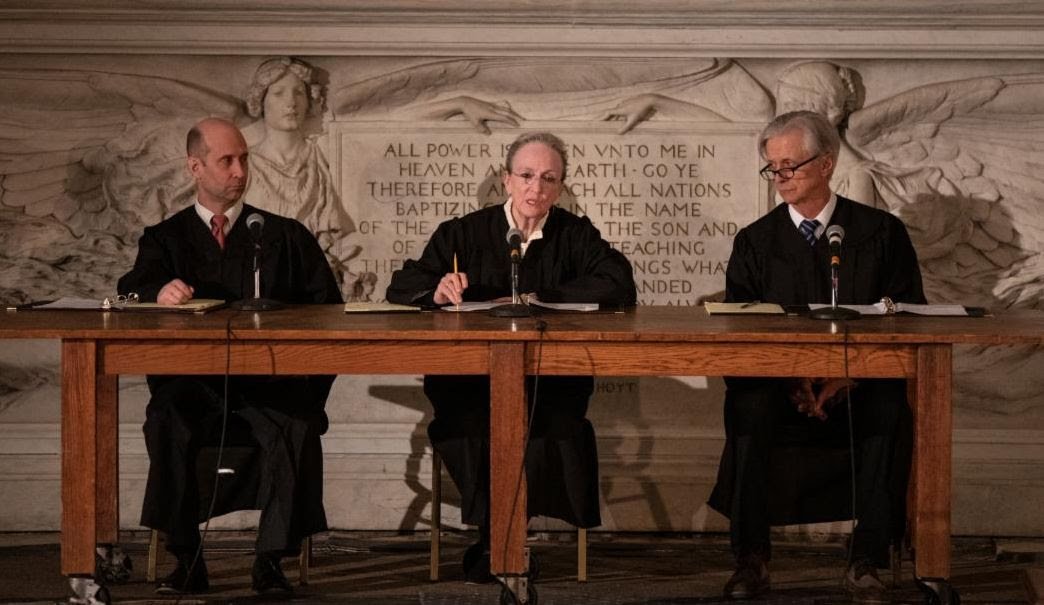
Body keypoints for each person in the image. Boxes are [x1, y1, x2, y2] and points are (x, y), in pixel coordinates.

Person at [386, 132, 636, 582]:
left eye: (548, 178)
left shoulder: (574, 234)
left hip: (550, 383)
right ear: (506, 180)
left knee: (549, 431)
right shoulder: (462, 232)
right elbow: (402, 285)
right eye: (526, 176)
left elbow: (619, 282)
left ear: (559, 187)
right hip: (469, 383)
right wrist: (438, 291)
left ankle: (499, 541)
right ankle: (501, 539)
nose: (535, 188)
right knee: (472, 430)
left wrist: (543, 297)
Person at [117, 117, 343, 595]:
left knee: (296, 423)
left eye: (243, 159)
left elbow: (329, 313)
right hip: (192, 385)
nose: (239, 170)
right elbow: (131, 290)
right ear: (195, 167)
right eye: (226, 160)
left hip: (268, 384)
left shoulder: (285, 236)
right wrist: (159, 290)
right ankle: (186, 558)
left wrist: (309, 391)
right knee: (166, 419)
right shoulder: (165, 239)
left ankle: (269, 563)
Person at [708, 111, 925, 602]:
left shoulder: (880, 233)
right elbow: (739, 329)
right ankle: (751, 559)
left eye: (791, 166)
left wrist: (847, 377)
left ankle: (868, 558)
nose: (780, 179)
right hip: (780, 389)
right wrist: (792, 380)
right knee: (748, 407)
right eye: (773, 168)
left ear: (826, 164)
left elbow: (909, 318)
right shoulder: (755, 242)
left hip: (862, 386)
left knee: (889, 410)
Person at [244, 57, 358, 289]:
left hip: (316, 284)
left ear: (310, 100)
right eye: (278, 93)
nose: (291, 102)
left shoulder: (323, 155)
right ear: (260, 101)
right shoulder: (245, 164)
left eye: (299, 92)